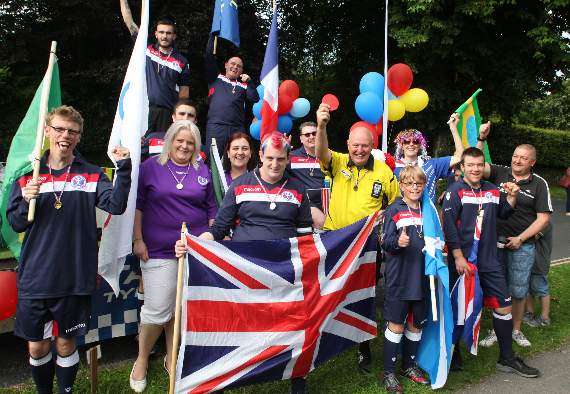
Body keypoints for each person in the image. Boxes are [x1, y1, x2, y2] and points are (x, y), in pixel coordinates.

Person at [6, 105, 131, 394]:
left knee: (65, 342)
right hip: (35, 277)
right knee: (37, 346)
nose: (66, 135)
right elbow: (15, 224)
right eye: (60, 129)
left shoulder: (90, 174)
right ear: (47, 132)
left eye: (73, 131)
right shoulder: (29, 176)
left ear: (79, 137)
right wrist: (26, 200)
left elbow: (116, 205)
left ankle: (65, 391)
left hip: (74, 276)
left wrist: (124, 170)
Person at [180, 132, 312, 393]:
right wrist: (194, 243)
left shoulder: (298, 189)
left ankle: (297, 375)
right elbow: (219, 229)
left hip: (284, 268)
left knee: (290, 322)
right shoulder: (239, 186)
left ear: (288, 160)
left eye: (280, 159)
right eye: (270, 158)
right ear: (260, 156)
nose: (274, 165)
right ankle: (235, 370)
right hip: (246, 267)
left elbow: (305, 235)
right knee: (245, 321)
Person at [130, 120, 217, 392]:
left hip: (195, 251)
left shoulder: (202, 170)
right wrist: (137, 239)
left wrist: (211, 242)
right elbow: (138, 206)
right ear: (170, 140)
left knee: (180, 309)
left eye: (190, 143)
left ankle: (173, 356)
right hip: (157, 250)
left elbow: (212, 209)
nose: (185, 146)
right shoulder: (150, 167)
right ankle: (142, 358)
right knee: (157, 311)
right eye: (180, 141)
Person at [315, 103, 400, 372]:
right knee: (330, 292)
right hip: (334, 241)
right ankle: (325, 341)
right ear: (348, 144)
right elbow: (320, 151)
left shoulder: (384, 172)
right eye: (355, 145)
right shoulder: (337, 161)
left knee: (363, 295)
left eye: (365, 145)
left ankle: (362, 347)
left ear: (372, 144)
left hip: (367, 246)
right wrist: (321, 126)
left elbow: (398, 205)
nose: (359, 150)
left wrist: (385, 215)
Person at [443, 147, 540, 378]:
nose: (475, 169)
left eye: (479, 165)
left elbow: (505, 213)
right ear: (462, 167)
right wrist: (457, 257)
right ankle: (452, 353)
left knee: (503, 305)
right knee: (459, 309)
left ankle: (506, 358)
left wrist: (513, 197)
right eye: (471, 165)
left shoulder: (491, 190)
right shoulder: (454, 191)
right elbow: (448, 227)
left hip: (490, 261)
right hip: (463, 262)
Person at [475, 131, 552, 349]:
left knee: (518, 291)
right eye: (515, 156)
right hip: (493, 244)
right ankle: (497, 331)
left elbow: (543, 218)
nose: (517, 160)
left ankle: (516, 330)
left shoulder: (539, 184)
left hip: (522, 246)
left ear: (532, 162)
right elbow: (477, 164)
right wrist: (481, 139)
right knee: (496, 289)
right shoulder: (501, 172)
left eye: (523, 158)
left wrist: (521, 238)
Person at [381, 165, 430, 393]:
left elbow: (436, 238)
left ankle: (408, 366)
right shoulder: (394, 210)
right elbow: (385, 243)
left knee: (416, 323)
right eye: (409, 183)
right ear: (401, 186)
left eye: (418, 183)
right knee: (397, 324)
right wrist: (397, 244)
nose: (414, 187)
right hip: (400, 277)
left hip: (423, 277)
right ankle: (388, 371)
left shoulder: (429, 209)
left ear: (424, 185)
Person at [204, 36, 259, 160]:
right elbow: (209, 56)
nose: (235, 67)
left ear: (241, 71)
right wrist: (212, 37)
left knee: (239, 158)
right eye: (233, 64)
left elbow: (254, 99)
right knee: (212, 159)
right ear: (225, 65)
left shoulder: (244, 86)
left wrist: (250, 83)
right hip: (216, 126)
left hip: (237, 128)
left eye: (239, 66)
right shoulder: (215, 78)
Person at [393, 113, 465, 202]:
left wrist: (453, 129)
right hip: (401, 214)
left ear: (420, 145)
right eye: (407, 141)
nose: (411, 144)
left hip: (427, 214)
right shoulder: (392, 167)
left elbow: (460, 156)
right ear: (402, 145)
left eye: (415, 141)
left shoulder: (431, 164)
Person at [146, 17, 190, 134]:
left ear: (174, 36)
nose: (164, 36)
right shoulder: (146, 50)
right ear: (156, 34)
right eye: (161, 32)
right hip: (143, 109)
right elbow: (130, 25)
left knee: (160, 150)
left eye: (168, 33)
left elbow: (184, 92)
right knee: (137, 147)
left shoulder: (182, 61)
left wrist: (180, 116)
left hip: (167, 113)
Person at [288, 121, 326, 229]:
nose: (311, 137)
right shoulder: (291, 157)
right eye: (307, 134)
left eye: (314, 133)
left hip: (328, 202)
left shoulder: (328, 155)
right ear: (301, 139)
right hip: (305, 204)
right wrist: (283, 151)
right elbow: (275, 170)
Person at [524, 221, 552, 327]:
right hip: (529, 260)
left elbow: (532, 236)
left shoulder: (545, 223)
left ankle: (545, 318)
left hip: (539, 261)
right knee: (528, 289)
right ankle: (529, 313)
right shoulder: (534, 220)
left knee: (541, 289)